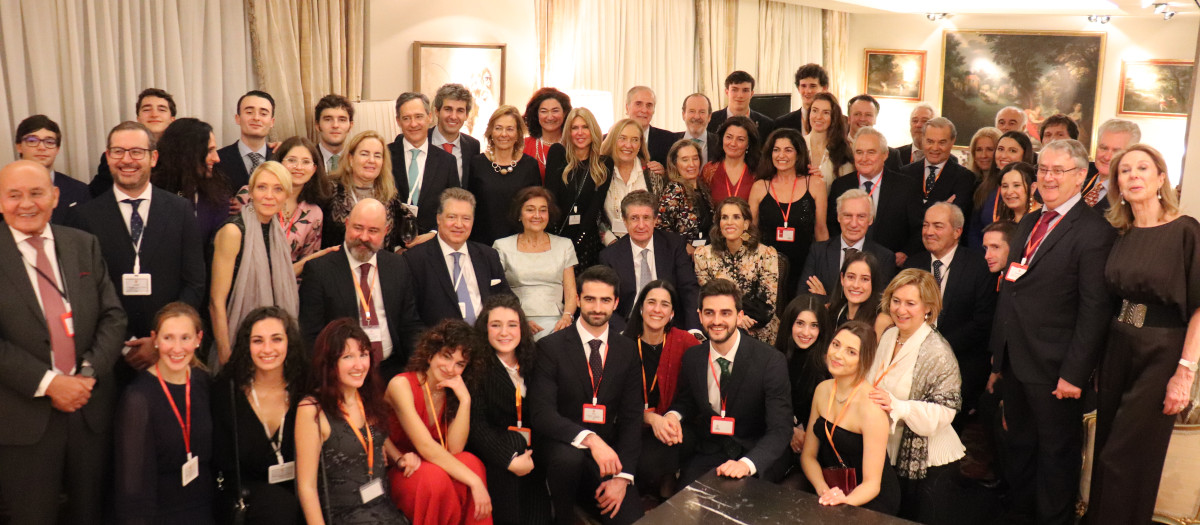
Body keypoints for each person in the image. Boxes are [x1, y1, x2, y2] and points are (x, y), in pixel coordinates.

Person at [988, 139, 1116, 525]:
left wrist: (1074, 374)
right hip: (1016, 360)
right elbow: (1012, 288)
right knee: (1020, 448)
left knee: (1056, 457)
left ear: (1080, 176)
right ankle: (1020, 515)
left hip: (1056, 369)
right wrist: (999, 355)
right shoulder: (1029, 220)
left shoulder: (1095, 231)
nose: (1047, 177)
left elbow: (1095, 309)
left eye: (1058, 171)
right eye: (1043, 169)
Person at [0, 160, 126, 525]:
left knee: (90, 514)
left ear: (54, 197)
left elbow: (113, 316)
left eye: (36, 193)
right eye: (14, 195)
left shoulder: (82, 244)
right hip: (23, 418)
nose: (26, 204)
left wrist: (87, 373)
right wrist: (51, 383)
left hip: (89, 410)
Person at [1087, 144, 1199, 524]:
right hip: (1117, 346)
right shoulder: (1122, 232)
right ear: (1116, 183)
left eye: (1142, 169)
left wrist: (1185, 372)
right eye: (1124, 171)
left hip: (1161, 352)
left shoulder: (1186, 231)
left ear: (1161, 179)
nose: (1133, 176)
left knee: (1124, 457)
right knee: (1105, 451)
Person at [74, 121, 205, 381]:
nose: (127, 160)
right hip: (109, 356)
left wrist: (162, 341)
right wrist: (123, 344)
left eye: (136, 152)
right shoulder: (83, 217)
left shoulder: (180, 210)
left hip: (171, 352)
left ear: (153, 157)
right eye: (118, 152)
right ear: (108, 156)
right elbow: (84, 294)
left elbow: (195, 282)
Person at [528, 265, 645, 525]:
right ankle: (562, 515)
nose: (597, 307)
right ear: (578, 299)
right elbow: (541, 413)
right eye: (590, 299)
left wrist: (623, 478)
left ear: (616, 303)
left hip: (605, 458)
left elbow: (632, 417)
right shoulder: (550, 347)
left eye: (605, 300)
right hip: (561, 450)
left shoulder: (627, 350)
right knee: (567, 459)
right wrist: (590, 439)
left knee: (632, 520)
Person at [665, 278, 793, 486]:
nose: (717, 321)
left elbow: (780, 429)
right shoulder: (693, 358)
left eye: (725, 313)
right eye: (709, 313)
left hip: (756, 453)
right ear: (699, 316)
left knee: (736, 503)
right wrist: (672, 415)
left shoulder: (770, 361)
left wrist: (746, 464)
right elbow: (686, 401)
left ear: (739, 316)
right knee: (686, 504)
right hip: (710, 450)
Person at [870, 269, 965, 524]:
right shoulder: (890, 335)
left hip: (931, 467)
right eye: (896, 301)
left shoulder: (938, 351)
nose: (900, 309)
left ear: (928, 308)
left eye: (910, 303)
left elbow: (946, 411)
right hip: (888, 454)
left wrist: (898, 406)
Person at [295, 319, 408, 524]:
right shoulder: (311, 409)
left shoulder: (367, 398)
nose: (359, 365)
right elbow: (306, 486)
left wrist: (400, 458)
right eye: (348, 357)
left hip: (383, 510)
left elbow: (375, 440)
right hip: (343, 516)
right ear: (329, 362)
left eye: (363, 355)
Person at [299, 198, 425, 380]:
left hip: (392, 370)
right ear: (347, 224)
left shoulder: (397, 265)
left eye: (373, 231)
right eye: (358, 228)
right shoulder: (320, 270)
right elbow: (310, 337)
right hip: (341, 373)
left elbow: (410, 324)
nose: (364, 237)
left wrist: (417, 369)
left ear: (385, 232)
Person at [113, 302, 214, 524]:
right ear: (155, 339)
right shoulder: (138, 398)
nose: (177, 348)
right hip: (161, 514)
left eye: (185, 338)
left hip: (205, 508)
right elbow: (133, 490)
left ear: (198, 339)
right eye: (168, 338)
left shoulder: (204, 382)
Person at [385, 320, 492, 525]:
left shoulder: (451, 391)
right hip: (403, 466)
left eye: (460, 364)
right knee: (436, 477)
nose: (451, 368)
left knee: (471, 462)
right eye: (446, 356)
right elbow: (425, 447)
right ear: (430, 352)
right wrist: (474, 482)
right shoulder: (401, 384)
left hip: (435, 464)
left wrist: (465, 401)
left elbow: (454, 449)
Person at [212, 307, 309, 525]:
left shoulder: (306, 388)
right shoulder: (226, 391)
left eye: (276, 339)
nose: (267, 349)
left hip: (302, 491)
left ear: (289, 343)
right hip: (246, 500)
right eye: (258, 341)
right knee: (279, 508)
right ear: (247, 345)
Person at [904, 202, 996, 425]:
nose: (929, 232)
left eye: (937, 226)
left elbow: (983, 321)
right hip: (912, 365)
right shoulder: (913, 264)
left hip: (962, 365)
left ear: (957, 232)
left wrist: (937, 347)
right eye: (926, 225)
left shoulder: (979, 266)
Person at [467, 295, 553, 525]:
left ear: (522, 328)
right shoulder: (474, 365)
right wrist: (508, 459)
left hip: (534, 450)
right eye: (496, 325)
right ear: (485, 329)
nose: (504, 332)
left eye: (512, 325)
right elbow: (476, 425)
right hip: (495, 453)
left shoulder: (536, 359)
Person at [800, 321, 901, 514]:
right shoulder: (822, 390)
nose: (838, 355)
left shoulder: (872, 408)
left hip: (868, 499)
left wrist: (843, 501)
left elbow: (872, 484)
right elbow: (808, 455)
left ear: (865, 360)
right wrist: (825, 491)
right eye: (836, 345)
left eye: (851, 352)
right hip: (830, 487)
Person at [210, 162, 301, 365]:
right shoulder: (233, 232)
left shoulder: (275, 230)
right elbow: (216, 302)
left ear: (286, 195)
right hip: (237, 342)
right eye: (262, 187)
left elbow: (275, 276)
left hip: (272, 343)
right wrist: (226, 356)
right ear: (251, 191)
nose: (269, 195)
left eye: (278, 189)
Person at [621, 280, 700, 499]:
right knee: (644, 463)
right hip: (632, 427)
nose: (657, 309)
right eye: (651, 302)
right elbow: (615, 402)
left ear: (672, 312)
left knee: (675, 442)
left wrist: (672, 418)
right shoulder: (621, 345)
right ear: (640, 307)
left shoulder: (687, 343)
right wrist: (650, 419)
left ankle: (666, 478)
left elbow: (693, 395)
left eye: (665, 304)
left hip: (673, 425)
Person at [404, 188, 512, 326]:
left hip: (485, 341)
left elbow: (507, 301)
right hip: (441, 343)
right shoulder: (415, 260)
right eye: (452, 217)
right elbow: (410, 319)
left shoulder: (488, 256)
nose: (459, 225)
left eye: (466, 218)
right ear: (438, 218)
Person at [598, 191, 701, 329]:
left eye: (646, 218)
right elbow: (606, 302)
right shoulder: (610, 256)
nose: (641, 225)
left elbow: (689, 290)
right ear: (625, 221)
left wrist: (693, 330)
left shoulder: (674, 245)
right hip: (628, 326)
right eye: (634, 218)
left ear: (655, 219)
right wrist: (623, 334)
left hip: (670, 325)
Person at [828, 127, 924, 268]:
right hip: (848, 265)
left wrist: (905, 253)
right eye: (859, 152)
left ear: (885, 155)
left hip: (892, 267)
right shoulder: (840, 186)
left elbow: (919, 228)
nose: (864, 158)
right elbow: (832, 225)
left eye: (871, 152)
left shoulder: (907, 187)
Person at [494, 186, 579, 340]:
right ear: (519, 214)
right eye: (530, 210)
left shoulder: (565, 245)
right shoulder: (502, 246)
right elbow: (497, 293)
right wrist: (518, 320)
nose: (537, 215)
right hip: (515, 322)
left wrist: (567, 317)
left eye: (543, 210)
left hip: (557, 323)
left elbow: (571, 292)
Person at [749, 128, 827, 293]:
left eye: (788, 150)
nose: (781, 155)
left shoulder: (815, 184)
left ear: (799, 154)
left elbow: (821, 230)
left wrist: (824, 268)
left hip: (805, 267)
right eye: (776, 150)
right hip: (767, 269)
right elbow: (750, 231)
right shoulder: (760, 186)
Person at [694, 197, 781, 344]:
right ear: (719, 223)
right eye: (724, 217)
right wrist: (736, 320)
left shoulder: (766, 255)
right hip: (719, 326)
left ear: (746, 224)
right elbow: (708, 300)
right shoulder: (703, 255)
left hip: (759, 330)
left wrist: (737, 318)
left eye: (736, 217)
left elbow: (767, 305)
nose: (729, 223)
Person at [236, 136, 334, 265]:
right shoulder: (250, 194)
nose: (299, 167)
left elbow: (307, 264)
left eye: (306, 162)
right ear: (279, 162)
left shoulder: (314, 213)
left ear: (314, 169)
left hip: (290, 282)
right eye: (292, 160)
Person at [544, 107, 610, 270]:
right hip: (556, 235)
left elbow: (595, 207)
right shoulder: (558, 153)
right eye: (575, 128)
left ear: (593, 130)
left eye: (585, 127)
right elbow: (550, 198)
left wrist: (578, 242)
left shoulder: (604, 163)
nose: (580, 132)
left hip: (587, 240)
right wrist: (556, 239)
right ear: (568, 132)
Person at [325, 130, 414, 252]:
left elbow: (405, 225)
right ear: (351, 159)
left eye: (377, 155)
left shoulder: (389, 193)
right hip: (339, 266)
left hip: (380, 266)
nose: (371, 160)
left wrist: (399, 249)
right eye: (364, 154)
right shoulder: (330, 189)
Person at [468, 105, 541, 246]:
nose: (503, 134)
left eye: (510, 129)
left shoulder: (530, 165)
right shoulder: (476, 163)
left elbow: (535, 207)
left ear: (518, 133)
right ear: (491, 132)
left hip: (520, 244)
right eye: (498, 128)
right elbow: (469, 206)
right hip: (482, 243)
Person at [390, 92, 460, 240]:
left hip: (432, 246)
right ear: (398, 121)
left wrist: (433, 235)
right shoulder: (385, 156)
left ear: (429, 117)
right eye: (406, 118)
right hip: (392, 248)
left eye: (419, 117)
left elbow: (454, 207)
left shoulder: (447, 162)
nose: (413, 124)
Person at [801, 189, 896, 297]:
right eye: (848, 216)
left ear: (870, 220)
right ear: (838, 217)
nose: (853, 224)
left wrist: (826, 301)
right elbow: (803, 297)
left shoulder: (884, 258)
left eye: (861, 216)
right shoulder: (818, 252)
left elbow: (879, 304)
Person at [152, 118, 231, 243]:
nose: (216, 158)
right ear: (187, 153)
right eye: (209, 151)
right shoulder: (151, 193)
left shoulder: (217, 197)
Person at [775, 295, 833, 465]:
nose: (806, 332)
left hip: (817, 451)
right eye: (800, 323)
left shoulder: (829, 366)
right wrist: (790, 430)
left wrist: (807, 438)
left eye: (814, 325)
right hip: (779, 439)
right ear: (789, 324)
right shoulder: (774, 359)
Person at [90, 88, 178, 196]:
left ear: (172, 119)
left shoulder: (182, 156)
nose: (154, 114)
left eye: (162, 109)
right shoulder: (117, 156)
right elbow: (99, 194)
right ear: (138, 118)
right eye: (146, 109)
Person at [599, 118, 664, 246]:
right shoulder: (600, 174)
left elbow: (660, 215)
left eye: (635, 140)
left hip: (649, 246)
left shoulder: (653, 175)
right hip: (611, 248)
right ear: (613, 140)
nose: (628, 145)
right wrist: (610, 241)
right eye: (622, 138)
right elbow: (595, 215)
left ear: (640, 144)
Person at [13, 114, 89, 224]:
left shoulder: (79, 191)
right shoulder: (4, 188)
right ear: (19, 146)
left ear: (57, 149)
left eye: (49, 142)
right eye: (32, 141)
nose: (42, 147)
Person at [899, 117, 975, 226]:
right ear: (922, 139)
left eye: (942, 142)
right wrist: (942, 207)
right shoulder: (905, 174)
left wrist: (914, 210)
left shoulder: (965, 178)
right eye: (930, 141)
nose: (935, 148)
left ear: (952, 141)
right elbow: (898, 216)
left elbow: (954, 221)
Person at [656, 139, 713, 252]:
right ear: (675, 163)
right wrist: (684, 247)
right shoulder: (675, 189)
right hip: (683, 258)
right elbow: (661, 228)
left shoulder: (703, 187)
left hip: (705, 255)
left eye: (695, 158)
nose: (691, 164)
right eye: (685, 160)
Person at [216, 90, 277, 191]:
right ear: (237, 118)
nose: (256, 118)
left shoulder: (281, 158)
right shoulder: (218, 160)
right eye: (249, 112)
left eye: (263, 113)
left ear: (272, 122)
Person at [1084, 119, 1141, 214]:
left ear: (1131, 153)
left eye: (1116, 151)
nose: (1107, 157)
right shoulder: (1079, 185)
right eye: (1103, 148)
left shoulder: (1133, 196)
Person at [430, 84, 482, 187]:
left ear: (466, 115)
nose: (453, 116)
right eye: (448, 109)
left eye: (460, 111)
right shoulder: (421, 140)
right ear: (437, 111)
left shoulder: (473, 146)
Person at [702, 115, 759, 206]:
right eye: (729, 137)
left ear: (748, 144)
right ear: (722, 138)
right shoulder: (709, 170)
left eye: (740, 139)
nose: (733, 143)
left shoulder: (758, 173)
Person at [828, 250, 889, 334]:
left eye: (865, 279)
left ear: (874, 282)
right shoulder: (834, 312)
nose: (856, 285)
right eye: (851, 277)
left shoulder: (881, 321)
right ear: (842, 279)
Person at [805, 93, 855, 188]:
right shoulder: (796, 145)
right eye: (815, 111)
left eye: (826, 112)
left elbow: (847, 191)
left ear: (834, 117)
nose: (819, 117)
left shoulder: (844, 151)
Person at [844, 95, 904, 172]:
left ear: (875, 119)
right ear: (849, 119)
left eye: (868, 115)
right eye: (857, 114)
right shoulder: (833, 150)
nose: (862, 119)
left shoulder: (891, 155)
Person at [522, 87, 572, 180]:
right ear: (536, 115)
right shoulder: (523, 146)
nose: (550, 117)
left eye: (555, 111)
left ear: (565, 113)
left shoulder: (572, 144)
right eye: (544, 111)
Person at [708, 71, 775, 138]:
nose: (740, 95)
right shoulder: (710, 121)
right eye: (734, 90)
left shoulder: (767, 124)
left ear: (751, 94)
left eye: (745, 90)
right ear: (727, 92)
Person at [622, 85, 673, 171]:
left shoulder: (669, 140)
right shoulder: (608, 140)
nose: (644, 110)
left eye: (649, 105)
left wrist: (664, 174)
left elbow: (676, 175)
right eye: (638, 104)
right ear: (627, 107)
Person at [966, 127, 1001, 247]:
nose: (983, 155)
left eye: (990, 149)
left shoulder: (1003, 186)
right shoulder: (970, 182)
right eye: (979, 150)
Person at [774, 63, 829, 134]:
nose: (808, 91)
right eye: (803, 86)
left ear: (824, 88)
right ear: (798, 88)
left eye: (813, 86)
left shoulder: (837, 122)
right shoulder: (782, 124)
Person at [314, 94, 355, 174]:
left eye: (342, 120)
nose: (335, 125)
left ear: (350, 126)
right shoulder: (308, 159)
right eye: (328, 119)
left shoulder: (358, 160)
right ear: (317, 125)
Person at [673, 93, 719, 162]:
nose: (697, 117)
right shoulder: (670, 142)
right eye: (692, 111)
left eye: (702, 112)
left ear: (709, 116)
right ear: (683, 115)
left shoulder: (720, 144)